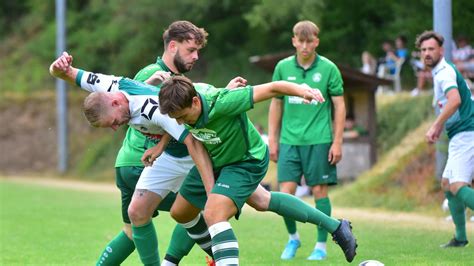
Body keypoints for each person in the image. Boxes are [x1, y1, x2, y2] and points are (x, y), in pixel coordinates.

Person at [158, 75, 358, 265]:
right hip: (217, 158)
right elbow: (195, 137)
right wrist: (210, 189)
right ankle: (337, 226)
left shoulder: (224, 102)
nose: (180, 123)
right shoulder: (189, 102)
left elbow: (273, 88)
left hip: (246, 161)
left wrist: (302, 91)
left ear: (195, 102)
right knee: (182, 212)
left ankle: (216, 257)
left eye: (183, 117)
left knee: (213, 214)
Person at [267, 20, 346, 261]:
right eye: (300, 41)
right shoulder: (282, 67)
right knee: (285, 193)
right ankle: (293, 239)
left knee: (319, 191)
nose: (304, 46)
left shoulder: (329, 68)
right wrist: (272, 139)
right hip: (290, 141)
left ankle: (321, 245)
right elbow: (275, 103)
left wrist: (338, 141)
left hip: (319, 140)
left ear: (316, 42)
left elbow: (339, 104)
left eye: (309, 41)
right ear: (293, 41)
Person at [416, 30, 474, 248]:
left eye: (431, 49)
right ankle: (460, 237)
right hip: (462, 133)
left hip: (468, 133)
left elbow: (455, 100)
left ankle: (460, 237)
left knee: (458, 185)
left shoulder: (444, 72)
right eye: (423, 50)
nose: (427, 53)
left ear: (441, 50)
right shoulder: (439, 72)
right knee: (447, 184)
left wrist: (436, 125)